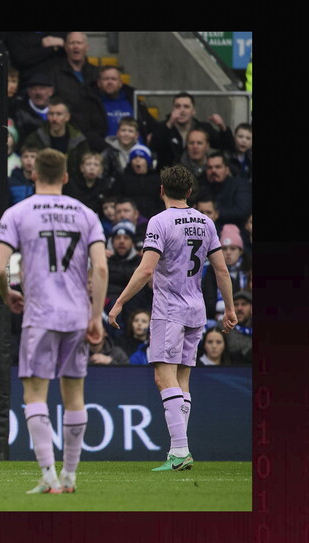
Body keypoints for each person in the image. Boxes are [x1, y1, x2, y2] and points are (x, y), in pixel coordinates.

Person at [0, 147, 108, 494]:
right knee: (74, 395)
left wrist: (6, 292)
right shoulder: (86, 213)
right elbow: (100, 267)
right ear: (67, 177)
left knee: (35, 395)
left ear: (33, 174)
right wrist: (95, 314)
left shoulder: (18, 212)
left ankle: (49, 476)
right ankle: (70, 476)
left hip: (40, 315)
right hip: (76, 314)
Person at [108, 164, 238, 472]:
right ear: (190, 192)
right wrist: (229, 308)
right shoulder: (205, 222)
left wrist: (119, 303)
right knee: (182, 381)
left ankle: (181, 450)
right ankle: (175, 451)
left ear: (162, 190)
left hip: (169, 310)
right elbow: (221, 270)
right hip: (196, 310)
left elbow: (146, 269)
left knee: (162, 378)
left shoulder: (159, 221)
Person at [48, 32, 107, 152]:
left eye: (79, 43)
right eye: (71, 43)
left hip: (95, 133)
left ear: (87, 47)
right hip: (69, 133)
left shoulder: (96, 72)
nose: (75, 46)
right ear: (65, 47)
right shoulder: (54, 71)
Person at [148, 92, 234, 169]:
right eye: (178, 106)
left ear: (193, 111)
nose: (182, 110)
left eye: (186, 106)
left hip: (197, 178)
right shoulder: (162, 127)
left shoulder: (204, 128)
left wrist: (223, 127)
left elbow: (227, 145)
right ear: (173, 109)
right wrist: (169, 123)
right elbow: (154, 146)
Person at [23, 97, 90, 175]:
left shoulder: (79, 141)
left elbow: (85, 164)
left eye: (59, 114)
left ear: (67, 117)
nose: (54, 119)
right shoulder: (35, 138)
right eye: (51, 114)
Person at [109, 144, 164, 220]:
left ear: (147, 162)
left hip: (154, 218)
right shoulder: (122, 178)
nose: (137, 160)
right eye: (134, 157)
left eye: (141, 157)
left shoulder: (157, 179)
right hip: (129, 218)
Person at [199, 151, 252, 229]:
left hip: (236, 232)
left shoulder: (240, 185)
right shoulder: (203, 187)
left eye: (218, 167)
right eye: (209, 168)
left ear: (227, 170)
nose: (213, 171)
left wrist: (214, 213)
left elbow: (242, 211)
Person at [62, 151, 110, 216]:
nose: (92, 168)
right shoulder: (71, 185)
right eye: (88, 164)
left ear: (101, 170)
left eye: (96, 165)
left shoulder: (104, 186)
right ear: (81, 168)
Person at [11, 72, 53, 145]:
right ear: (28, 91)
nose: (38, 93)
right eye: (34, 89)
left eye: (42, 88)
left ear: (51, 91)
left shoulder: (59, 110)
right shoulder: (18, 112)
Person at [100, 117, 141, 187]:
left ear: (136, 135)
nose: (126, 134)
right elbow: (101, 177)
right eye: (123, 130)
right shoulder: (107, 153)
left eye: (130, 131)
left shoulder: (141, 153)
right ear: (118, 133)